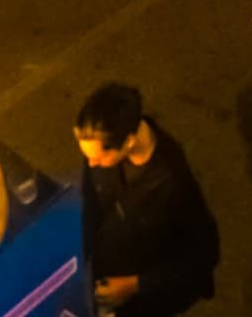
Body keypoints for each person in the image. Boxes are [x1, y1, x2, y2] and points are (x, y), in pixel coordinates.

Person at [74, 84, 222, 317]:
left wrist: (135, 285)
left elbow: (204, 255)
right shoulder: (102, 145)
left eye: (99, 158)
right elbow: (91, 205)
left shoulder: (173, 183)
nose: (91, 164)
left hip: (145, 298)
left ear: (129, 142)